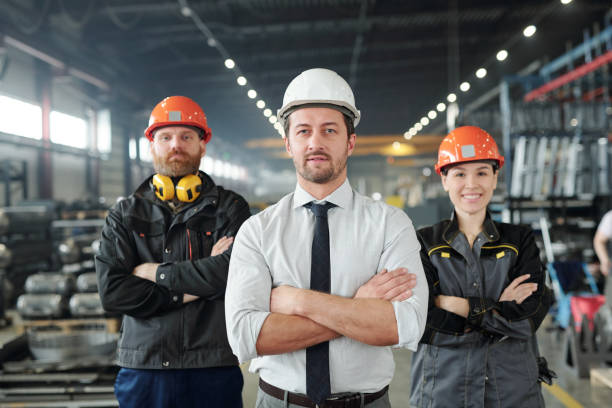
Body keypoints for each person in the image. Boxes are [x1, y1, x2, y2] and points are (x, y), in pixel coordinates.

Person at [225, 68, 428, 408]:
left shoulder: (391, 224)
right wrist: (359, 307)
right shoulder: (258, 231)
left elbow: (403, 326)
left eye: (329, 130)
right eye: (303, 131)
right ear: (288, 144)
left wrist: (298, 302)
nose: (315, 143)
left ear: (350, 142)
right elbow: (247, 336)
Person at [95, 96, 251, 408]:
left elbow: (235, 274)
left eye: (186, 137)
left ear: (202, 145)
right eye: (165, 137)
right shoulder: (125, 214)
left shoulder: (230, 208)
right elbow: (113, 293)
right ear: (151, 145)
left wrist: (155, 273)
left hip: (211, 365)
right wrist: (200, 283)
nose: (175, 145)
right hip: (145, 367)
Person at [409, 126, 554, 408]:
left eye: (482, 172)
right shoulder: (423, 243)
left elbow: (527, 320)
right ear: (444, 179)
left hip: (513, 394)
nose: (471, 184)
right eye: (460, 174)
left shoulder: (519, 240)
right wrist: (499, 313)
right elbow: (422, 324)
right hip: (443, 393)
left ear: (495, 177)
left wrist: (459, 306)